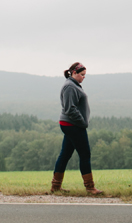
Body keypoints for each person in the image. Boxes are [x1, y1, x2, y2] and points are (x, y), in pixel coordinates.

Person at [51, 62, 103, 195]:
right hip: (73, 125)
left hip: (71, 125)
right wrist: (82, 122)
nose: (84, 77)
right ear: (74, 73)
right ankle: (90, 187)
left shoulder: (73, 85)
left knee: (65, 154)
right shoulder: (69, 86)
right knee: (85, 154)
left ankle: (56, 186)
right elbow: (70, 109)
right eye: (82, 74)